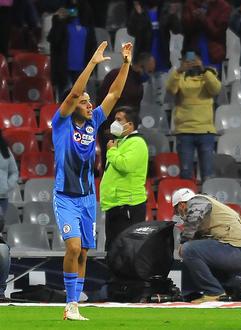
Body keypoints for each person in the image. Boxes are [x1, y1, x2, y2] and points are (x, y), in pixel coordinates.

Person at [52, 41, 132, 321]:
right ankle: (69, 303)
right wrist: (93, 63)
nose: (90, 104)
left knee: (84, 252)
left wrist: (125, 64)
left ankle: (74, 305)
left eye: (89, 101)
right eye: (85, 102)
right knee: (72, 247)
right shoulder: (61, 123)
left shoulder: (93, 121)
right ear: (73, 105)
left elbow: (114, 93)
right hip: (65, 196)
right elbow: (74, 93)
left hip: (87, 198)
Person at [172, 188, 241, 304]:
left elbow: (193, 219)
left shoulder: (197, 201)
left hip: (236, 250)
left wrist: (183, 242)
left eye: (177, 211)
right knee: (197, 255)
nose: (179, 215)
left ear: (181, 205)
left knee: (188, 249)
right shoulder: (210, 207)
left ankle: (213, 292)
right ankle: (235, 285)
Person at [166, 52, 221, 182]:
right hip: (184, 131)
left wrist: (203, 70)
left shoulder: (209, 74)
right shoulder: (179, 75)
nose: (192, 63)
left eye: (195, 60)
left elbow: (216, 89)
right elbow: (171, 90)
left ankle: (207, 200)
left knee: (208, 173)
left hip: (205, 130)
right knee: (186, 174)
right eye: (188, 61)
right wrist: (180, 70)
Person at [100, 107, 149, 251]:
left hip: (128, 204)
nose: (114, 123)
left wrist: (112, 151)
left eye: (119, 120)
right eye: (114, 119)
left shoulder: (137, 142)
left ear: (130, 125)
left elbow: (125, 165)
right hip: (116, 204)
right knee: (113, 250)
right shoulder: (121, 142)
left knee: (126, 252)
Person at [96, 52, 155, 170]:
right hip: (109, 129)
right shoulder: (115, 76)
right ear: (139, 66)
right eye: (149, 71)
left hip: (127, 131)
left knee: (125, 164)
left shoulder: (139, 84)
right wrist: (106, 127)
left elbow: (135, 110)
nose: (149, 75)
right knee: (110, 164)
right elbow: (102, 101)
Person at [47, 0, 97, 101]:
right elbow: (54, 39)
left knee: (80, 106)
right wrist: (58, 20)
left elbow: (92, 44)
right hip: (64, 72)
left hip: (82, 72)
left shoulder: (87, 19)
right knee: (65, 105)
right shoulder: (60, 19)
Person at [127, 0, 181, 72]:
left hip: (162, 58)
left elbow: (177, 30)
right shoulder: (139, 10)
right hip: (144, 60)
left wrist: (173, 15)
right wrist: (139, 15)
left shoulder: (165, 10)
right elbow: (131, 31)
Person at [182, 0, 232, 72]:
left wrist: (204, 19)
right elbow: (184, 30)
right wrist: (195, 18)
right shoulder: (190, 4)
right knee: (191, 78)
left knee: (212, 80)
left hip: (215, 53)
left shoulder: (223, 6)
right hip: (191, 51)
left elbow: (218, 33)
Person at [0, 129, 17, 302]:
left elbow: (14, 172)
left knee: (2, 249)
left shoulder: (4, 151)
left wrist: (6, 187)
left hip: (1, 198)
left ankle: (0, 292)